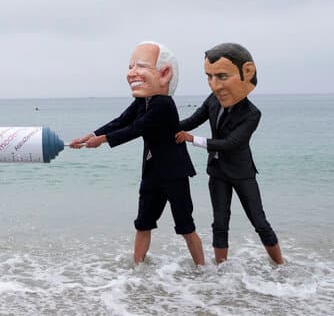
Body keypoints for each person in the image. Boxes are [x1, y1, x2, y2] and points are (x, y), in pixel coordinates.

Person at [70, 41, 205, 266]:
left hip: (174, 172)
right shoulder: (143, 101)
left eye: (141, 66)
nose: (132, 73)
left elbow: (137, 128)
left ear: (164, 74)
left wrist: (102, 141)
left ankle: (204, 272)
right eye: (130, 66)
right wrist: (89, 135)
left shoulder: (163, 104)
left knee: (185, 226)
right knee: (143, 223)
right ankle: (137, 271)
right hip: (152, 172)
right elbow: (122, 121)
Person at [175, 42, 284, 265]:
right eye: (209, 77)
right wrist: (165, 126)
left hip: (242, 173)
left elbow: (231, 143)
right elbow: (192, 120)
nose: (215, 86)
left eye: (222, 76)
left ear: (247, 73)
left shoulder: (252, 114)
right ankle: (221, 273)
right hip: (217, 171)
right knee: (220, 223)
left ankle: (280, 266)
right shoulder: (213, 100)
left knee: (259, 222)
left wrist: (191, 139)